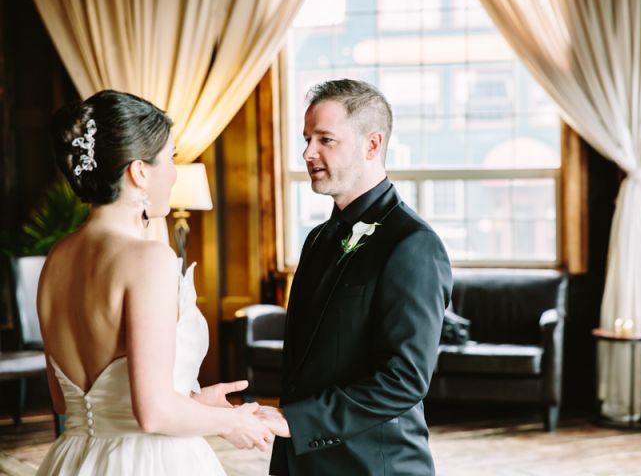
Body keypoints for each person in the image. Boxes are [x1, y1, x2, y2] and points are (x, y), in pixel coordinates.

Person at [35, 90, 288, 475]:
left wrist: (194, 401)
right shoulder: (149, 259)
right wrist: (235, 422)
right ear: (138, 171)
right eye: (170, 158)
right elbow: (152, 413)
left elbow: (63, 400)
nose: (173, 172)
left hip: (72, 460)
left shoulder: (56, 259)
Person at [269, 79, 452, 475]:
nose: (308, 153)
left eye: (325, 140)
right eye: (306, 139)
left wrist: (297, 422)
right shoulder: (318, 239)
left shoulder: (413, 244)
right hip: (299, 462)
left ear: (372, 144)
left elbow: (404, 379)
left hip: (371, 465)